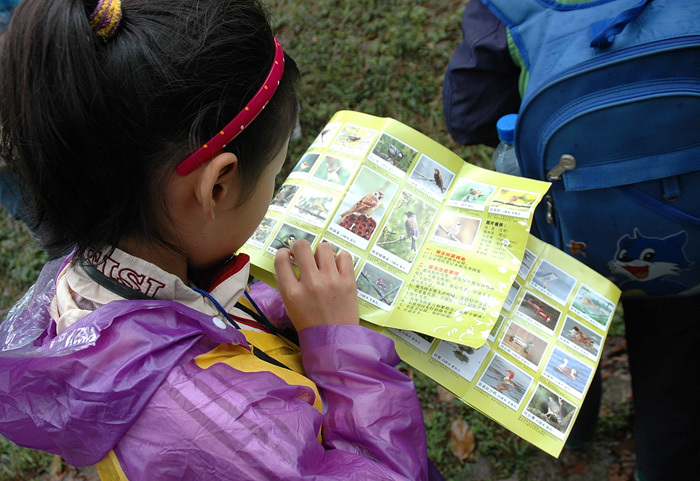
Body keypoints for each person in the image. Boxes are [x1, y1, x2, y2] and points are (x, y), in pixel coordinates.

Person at [0, 1, 439, 480]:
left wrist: (278, 307)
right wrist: (342, 347)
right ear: (218, 185)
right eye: (276, 171)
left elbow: (197, 315)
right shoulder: (220, 428)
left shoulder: (107, 270)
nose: (276, 184)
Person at [443, 2, 700, 481]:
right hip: (689, 232)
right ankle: (665, 464)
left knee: (563, 332)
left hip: (569, 237)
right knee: (677, 360)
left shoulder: (507, 8)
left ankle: (573, 433)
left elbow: (468, 114)